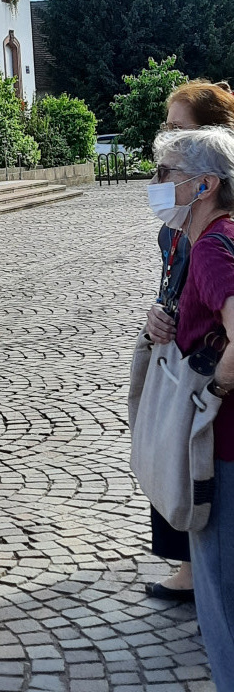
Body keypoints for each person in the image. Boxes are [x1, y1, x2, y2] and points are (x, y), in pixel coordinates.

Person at [143, 127, 234, 687]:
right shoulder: (214, 238)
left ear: (204, 184)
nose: (156, 186)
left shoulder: (210, 245)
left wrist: (214, 393)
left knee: (221, 604)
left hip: (222, 450)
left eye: (166, 175)